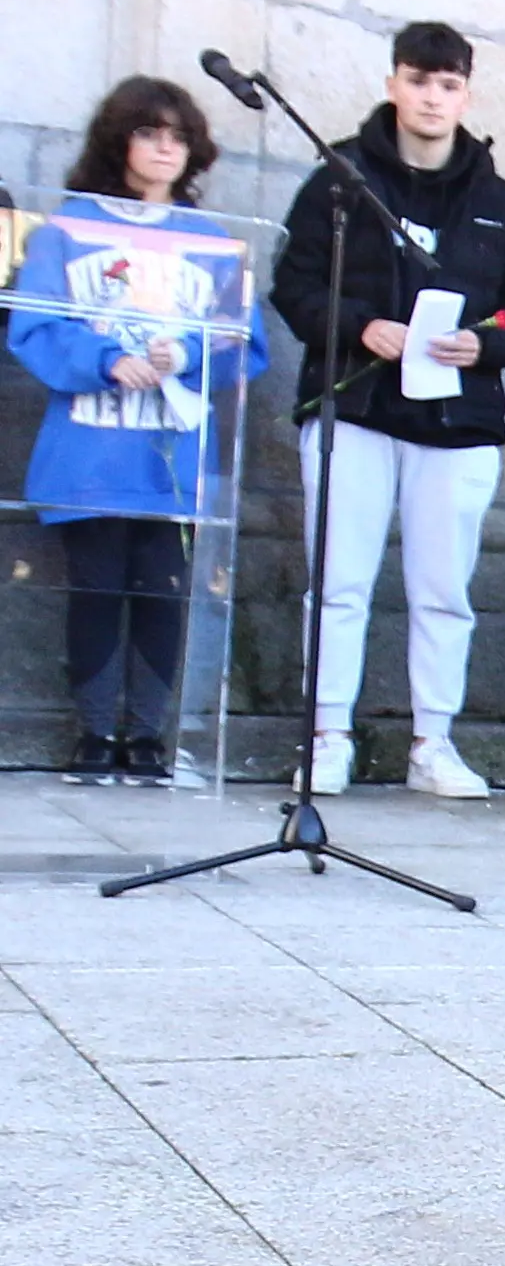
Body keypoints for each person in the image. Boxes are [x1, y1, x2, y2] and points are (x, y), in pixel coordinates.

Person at [270, 21, 505, 800]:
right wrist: (359, 325)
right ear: (393, 83)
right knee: (339, 581)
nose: (433, 97)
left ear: (466, 93)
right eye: (419, 81)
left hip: (456, 424)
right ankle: (328, 734)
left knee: (443, 589)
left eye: (449, 84)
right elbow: (292, 285)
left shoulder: (498, 202)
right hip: (352, 410)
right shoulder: (340, 179)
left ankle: (434, 741)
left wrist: (481, 344)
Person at [12, 76, 268, 785]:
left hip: (173, 453)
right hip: (91, 446)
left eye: (177, 137)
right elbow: (32, 328)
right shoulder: (69, 229)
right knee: (95, 586)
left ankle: (149, 735)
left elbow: (247, 344)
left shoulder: (214, 244)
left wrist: (189, 353)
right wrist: (105, 359)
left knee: (163, 587)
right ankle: (95, 733)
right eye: (148, 133)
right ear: (117, 140)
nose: (164, 148)